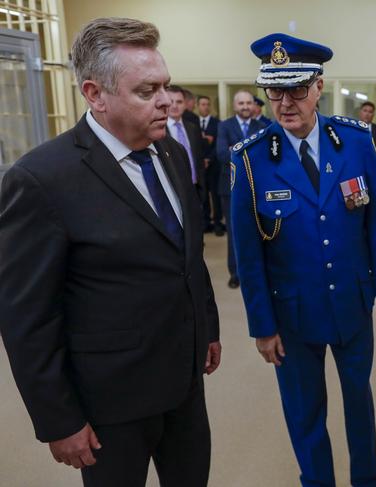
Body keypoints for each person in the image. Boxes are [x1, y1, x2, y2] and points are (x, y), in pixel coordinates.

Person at [0, 17, 221, 487]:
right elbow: (26, 317)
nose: (165, 100)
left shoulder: (171, 153)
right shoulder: (41, 179)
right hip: (109, 404)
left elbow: (188, 253)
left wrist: (208, 326)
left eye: (165, 85)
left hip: (183, 383)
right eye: (147, 91)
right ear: (95, 95)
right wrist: (58, 420)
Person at [230, 33, 376, 487]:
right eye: (275, 92)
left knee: (359, 402)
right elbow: (247, 256)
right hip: (292, 315)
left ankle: (368, 479)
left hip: (351, 301)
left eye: (297, 90)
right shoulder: (251, 161)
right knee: (305, 413)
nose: (285, 103)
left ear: (319, 87)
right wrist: (262, 325)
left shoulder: (356, 142)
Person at [215, 90, 263, 288]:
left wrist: (235, 149)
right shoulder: (224, 126)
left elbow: (263, 159)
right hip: (230, 188)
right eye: (241, 103)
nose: (245, 107)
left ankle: (254, 272)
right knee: (234, 232)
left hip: (256, 188)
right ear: (235, 106)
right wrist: (248, 154)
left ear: (253, 105)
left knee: (257, 231)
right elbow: (222, 155)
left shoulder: (261, 127)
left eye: (248, 103)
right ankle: (235, 273)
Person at [167, 85, 206, 205]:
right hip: (171, 189)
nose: (174, 105)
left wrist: (202, 186)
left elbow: (199, 160)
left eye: (179, 102)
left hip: (194, 188)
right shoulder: (158, 130)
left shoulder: (193, 128)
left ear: (185, 104)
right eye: (170, 101)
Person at [197, 94, 225, 235]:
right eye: (203, 104)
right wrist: (201, 160)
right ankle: (205, 222)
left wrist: (208, 159)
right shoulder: (193, 123)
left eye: (208, 104)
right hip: (199, 166)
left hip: (214, 166)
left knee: (215, 196)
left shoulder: (217, 123)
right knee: (203, 196)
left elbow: (219, 145)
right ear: (198, 106)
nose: (206, 107)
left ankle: (218, 223)